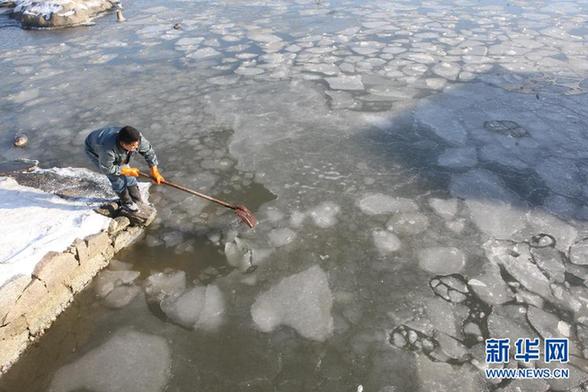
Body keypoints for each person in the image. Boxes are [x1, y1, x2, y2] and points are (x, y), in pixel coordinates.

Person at [85, 125, 165, 212]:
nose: (136, 148)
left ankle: (137, 199)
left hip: (111, 142)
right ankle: (126, 202)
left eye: (137, 145)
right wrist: (124, 170)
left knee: (128, 175)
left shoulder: (137, 138)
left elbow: (148, 152)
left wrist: (154, 171)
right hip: (94, 149)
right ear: (123, 144)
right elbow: (106, 168)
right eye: (133, 146)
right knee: (117, 178)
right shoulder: (107, 149)